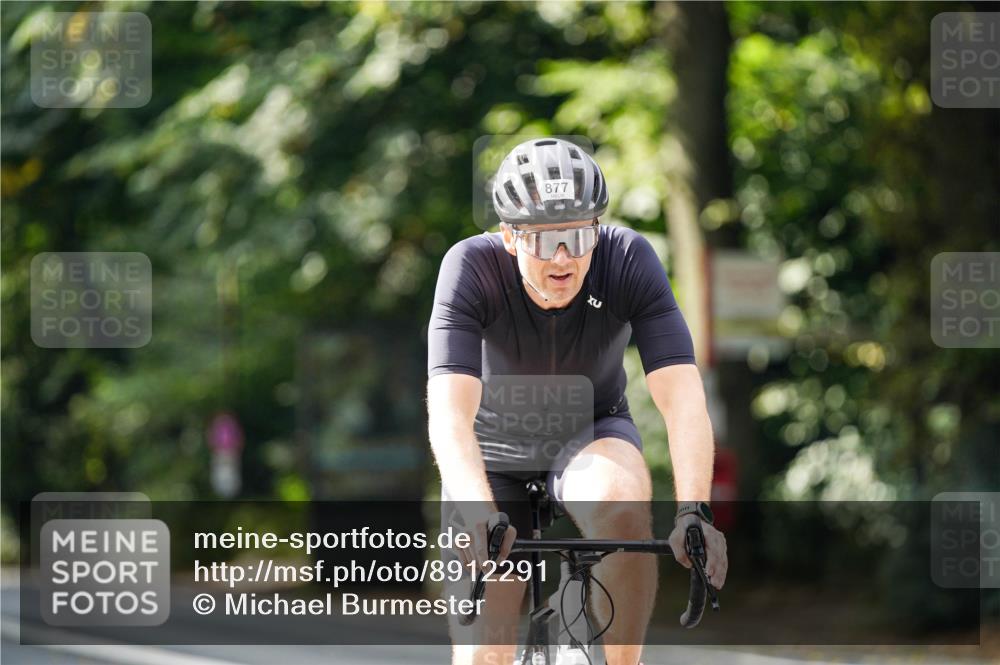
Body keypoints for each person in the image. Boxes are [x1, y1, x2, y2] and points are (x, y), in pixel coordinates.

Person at [427, 137, 728, 665]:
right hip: (491, 454)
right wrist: (479, 516)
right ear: (509, 237)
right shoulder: (469, 267)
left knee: (624, 506)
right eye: (544, 241)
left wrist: (694, 512)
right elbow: (451, 415)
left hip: (591, 433)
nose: (563, 257)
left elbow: (682, 399)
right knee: (483, 656)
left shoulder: (628, 258)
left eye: (578, 235)